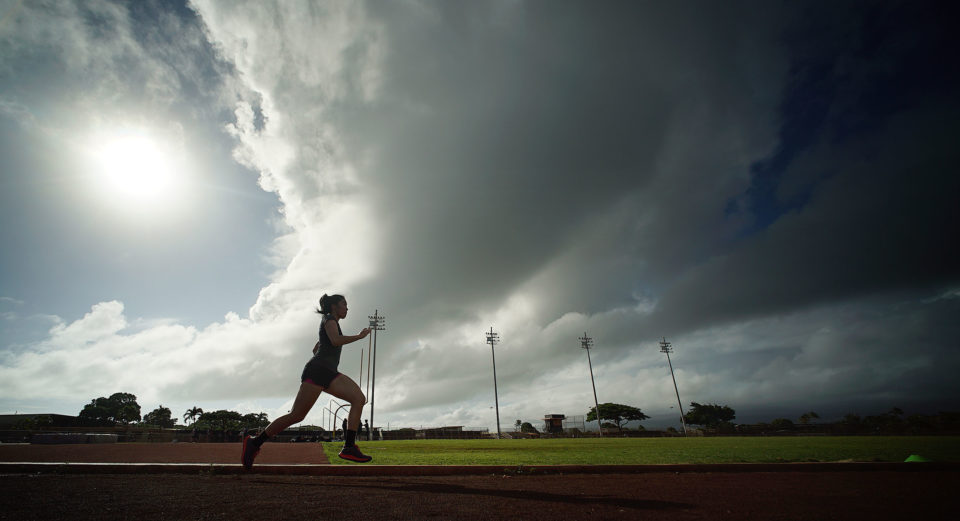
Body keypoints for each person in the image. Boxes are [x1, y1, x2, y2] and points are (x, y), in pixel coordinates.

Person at [242, 294, 372, 468]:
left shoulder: (331, 322)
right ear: (334, 306)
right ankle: (254, 443)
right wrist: (359, 336)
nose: (347, 308)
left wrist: (321, 351)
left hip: (327, 372)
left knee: (358, 399)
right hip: (319, 372)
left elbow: (317, 347)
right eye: (344, 304)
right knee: (296, 415)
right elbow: (334, 340)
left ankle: (349, 447)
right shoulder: (329, 319)